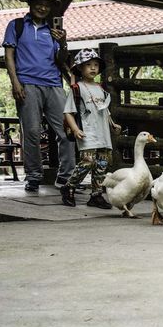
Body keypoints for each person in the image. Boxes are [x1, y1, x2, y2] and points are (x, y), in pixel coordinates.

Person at [2, 0, 76, 192]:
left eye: (46, 5)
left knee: (67, 131)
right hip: (27, 85)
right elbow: (9, 56)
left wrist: (63, 43)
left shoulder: (54, 31)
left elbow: (61, 61)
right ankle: (34, 176)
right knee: (32, 132)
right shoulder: (16, 26)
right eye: (38, 3)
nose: (42, 8)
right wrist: (15, 83)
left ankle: (66, 177)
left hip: (53, 85)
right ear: (31, 4)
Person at [60, 48, 121, 209]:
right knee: (87, 161)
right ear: (80, 68)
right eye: (88, 65)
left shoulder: (101, 88)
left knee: (102, 163)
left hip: (103, 132)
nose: (93, 68)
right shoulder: (77, 88)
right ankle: (69, 187)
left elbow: (104, 109)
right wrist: (75, 129)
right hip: (87, 132)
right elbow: (68, 112)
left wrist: (112, 124)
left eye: (95, 65)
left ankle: (96, 195)